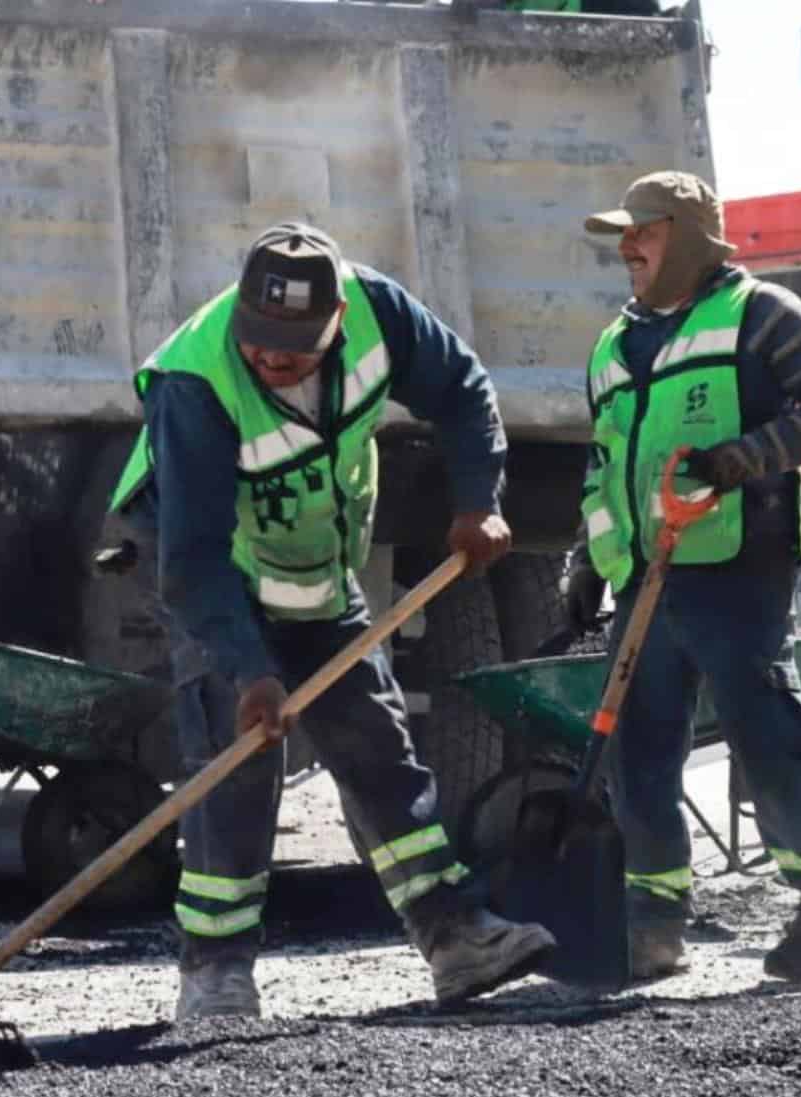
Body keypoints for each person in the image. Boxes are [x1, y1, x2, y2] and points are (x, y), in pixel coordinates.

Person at [109, 222, 556, 1021]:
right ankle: (215, 974)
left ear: (340, 318)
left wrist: (477, 502)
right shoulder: (195, 384)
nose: (272, 360)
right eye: (261, 342)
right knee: (235, 759)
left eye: (294, 346)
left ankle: (455, 936)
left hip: (316, 562)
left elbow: (461, 389)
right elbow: (193, 561)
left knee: (376, 743)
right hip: (224, 574)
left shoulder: (383, 316)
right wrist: (249, 670)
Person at [567, 171, 801, 981]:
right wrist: (585, 564)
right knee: (642, 756)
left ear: (692, 235)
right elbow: (604, 467)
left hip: (739, 568)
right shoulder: (612, 344)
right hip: (645, 578)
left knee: (766, 739)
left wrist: (751, 457)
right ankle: (654, 922)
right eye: (623, 236)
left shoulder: (761, 314)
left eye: (644, 231)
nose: (627, 248)